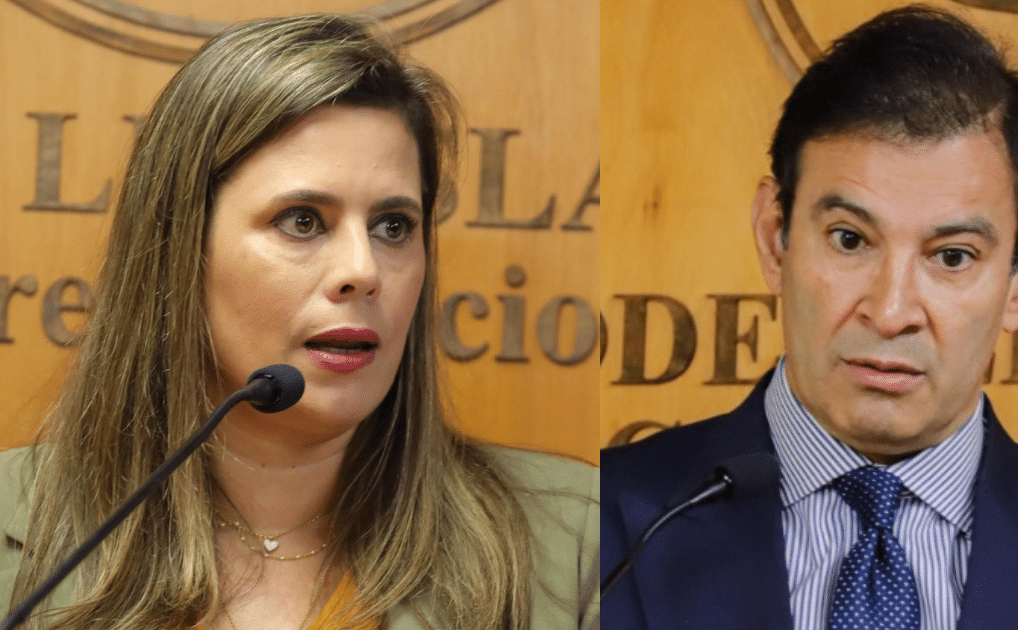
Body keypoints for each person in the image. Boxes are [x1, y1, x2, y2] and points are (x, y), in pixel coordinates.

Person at [600, 6, 1018, 629]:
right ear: (776, 237)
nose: (889, 314)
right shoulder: (588, 533)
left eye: (952, 256)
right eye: (850, 240)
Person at [0, 14, 597, 630]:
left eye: (393, 226)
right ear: (181, 249)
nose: (363, 270)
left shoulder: (580, 543)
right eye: (303, 221)